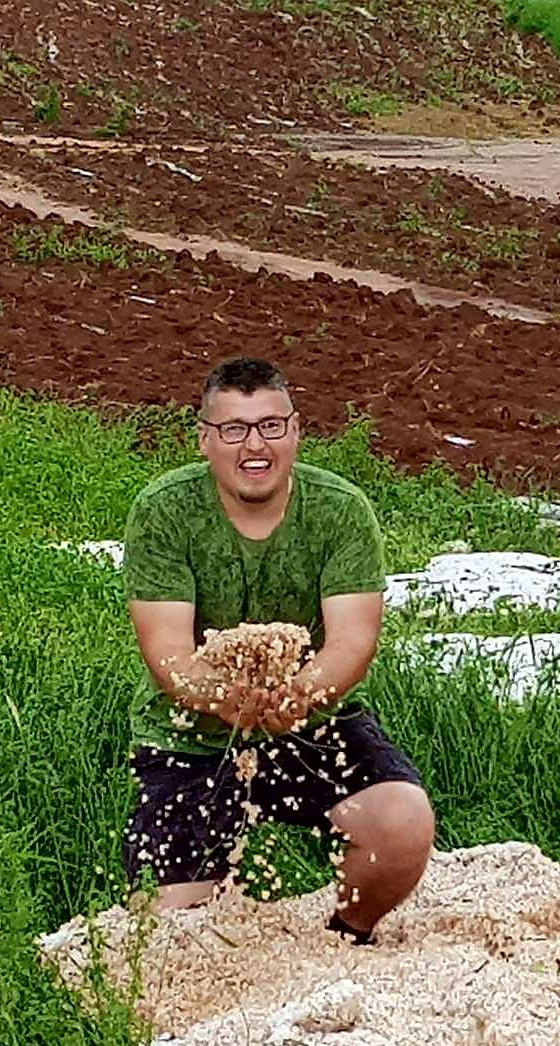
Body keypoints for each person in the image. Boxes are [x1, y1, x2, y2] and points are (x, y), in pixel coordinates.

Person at [119, 356, 435, 943]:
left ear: (295, 431)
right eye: (233, 429)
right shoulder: (164, 510)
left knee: (402, 822)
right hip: (191, 735)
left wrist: (301, 694)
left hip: (310, 722)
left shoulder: (340, 510)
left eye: (270, 425)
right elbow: (167, 653)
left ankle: (347, 936)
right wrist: (221, 697)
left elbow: (353, 640)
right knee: (167, 932)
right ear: (205, 439)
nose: (254, 446)